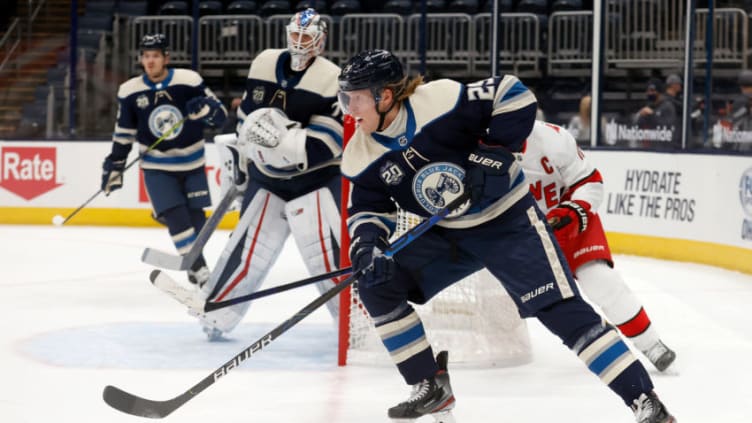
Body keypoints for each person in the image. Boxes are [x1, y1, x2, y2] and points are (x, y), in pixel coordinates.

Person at [337, 49, 675, 423]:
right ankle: (429, 385)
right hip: (445, 234)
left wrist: (495, 152)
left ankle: (645, 400)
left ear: (385, 96)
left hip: (506, 222)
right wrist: (368, 246)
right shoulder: (360, 154)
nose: (347, 107)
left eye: (354, 97)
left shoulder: (442, 98)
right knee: (375, 284)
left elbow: (512, 93)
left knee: (562, 312)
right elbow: (368, 210)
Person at [195, 8, 344, 340]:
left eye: (307, 37)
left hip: (315, 182)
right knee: (247, 250)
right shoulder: (263, 62)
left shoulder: (332, 77)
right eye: (296, 34)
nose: (300, 42)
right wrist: (247, 156)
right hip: (267, 178)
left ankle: (355, 322)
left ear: (320, 41)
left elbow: (329, 144)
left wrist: (282, 140)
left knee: (329, 259)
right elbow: (247, 117)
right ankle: (217, 314)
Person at [521, 120, 677, 372]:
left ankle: (650, 344)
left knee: (601, 281)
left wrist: (573, 209)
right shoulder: (477, 146)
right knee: (551, 305)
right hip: (520, 236)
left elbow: (589, 182)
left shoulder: (553, 139)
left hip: (568, 223)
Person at [101, 33, 227, 287]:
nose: (150, 61)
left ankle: (188, 252)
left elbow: (220, 115)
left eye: (156, 56)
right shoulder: (130, 91)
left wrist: (206, 111)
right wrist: (116, 162)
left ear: (166, 58)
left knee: (197, 221)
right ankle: (200, 270)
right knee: (176, 215)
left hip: (192, 163)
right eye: (146, 56)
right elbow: (124, 132)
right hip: (157, 166)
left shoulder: (188, 81)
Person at [633, 77, 681, 148]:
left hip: (665, 149)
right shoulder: (649, 106)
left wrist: (652, 115)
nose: (649, 93)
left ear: (659, 92)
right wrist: (641, 115)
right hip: (650, 147)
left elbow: (667, 128)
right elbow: (637, 125)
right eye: (648, 91)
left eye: (652, 91)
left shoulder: (668, 106)